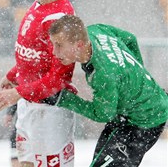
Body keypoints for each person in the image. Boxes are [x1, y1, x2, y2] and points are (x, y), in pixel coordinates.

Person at [0, 0, 77, 167]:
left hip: (50, 111)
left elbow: (59, 78)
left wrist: (17, 93)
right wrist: (14, 74)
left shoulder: (61, 19)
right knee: (24, 163)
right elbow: (35, 54)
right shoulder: (37, 5)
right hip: (29, 103)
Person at [46, 15, 168, 166]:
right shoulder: (97, 31)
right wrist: (137, 76)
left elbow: (103, 114)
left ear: (79, 45)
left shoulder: (104, 74)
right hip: (131, 114)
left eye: (59, 45)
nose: (54, 51)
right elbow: (130, 38)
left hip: (144, 123)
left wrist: (64, 99)